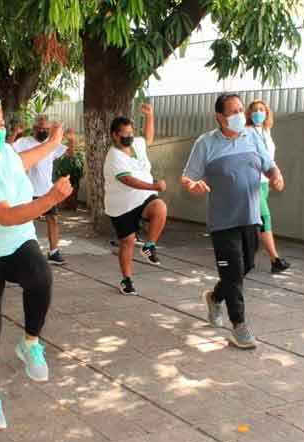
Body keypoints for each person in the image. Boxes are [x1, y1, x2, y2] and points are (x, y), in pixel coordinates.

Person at [0, 99, 72, 431]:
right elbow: (6, 215)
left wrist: (51, 142)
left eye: (0, 124)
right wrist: (50, 198)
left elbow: (20, 161)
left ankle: (30, 343)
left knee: (41, 277)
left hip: (18, 241)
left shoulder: (5, 153)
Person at [180, 93, 284, 349]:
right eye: (233, 111)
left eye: (241, 110)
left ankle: (215, 297)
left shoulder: (254, 137)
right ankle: (239, 326)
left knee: (245, 266)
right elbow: (187, 178)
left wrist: (276, 176)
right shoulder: (206, 143)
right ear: (219, 117)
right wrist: (193, 187)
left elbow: (269, 165)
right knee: (233, 272)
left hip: (250, 217)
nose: (240, 115)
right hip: (222, 223)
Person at [103, 103, 167, 295]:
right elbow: (128, 180)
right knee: (127, 242)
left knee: (160, 207)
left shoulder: (136, 144)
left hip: (144, 198)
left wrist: (150, 116)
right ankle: (127, 280)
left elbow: (148, 137)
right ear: (115, 135)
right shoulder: (113, 157)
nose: (129, 136)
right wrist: (153, 186)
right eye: (125, 133)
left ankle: (149, 246)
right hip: (121, 206)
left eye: (131, 132)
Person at [13, 115, 75, 265]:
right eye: (39, 128)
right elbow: (7, 151)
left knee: (53, 220)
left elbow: (69, 154)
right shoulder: (25, 142)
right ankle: (22, 253)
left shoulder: (51, 143)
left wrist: (72, 141)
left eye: (45, 129)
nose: (42, 131)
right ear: (34, 128)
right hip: (28, 191)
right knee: (25, 223)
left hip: (47, 191)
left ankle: (54, 253)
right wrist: (15, 134)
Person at [245, 100, 291, 274]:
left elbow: (269, 158)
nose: (258, 113)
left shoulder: (266, 131)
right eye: (255, 110)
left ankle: (247, 255)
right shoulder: (247, 132)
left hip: (264, 182)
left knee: (254, 221)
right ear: (249, 114)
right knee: (264, 218)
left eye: (261, 110)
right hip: (253, 181)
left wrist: (276, 175)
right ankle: (274, 259)